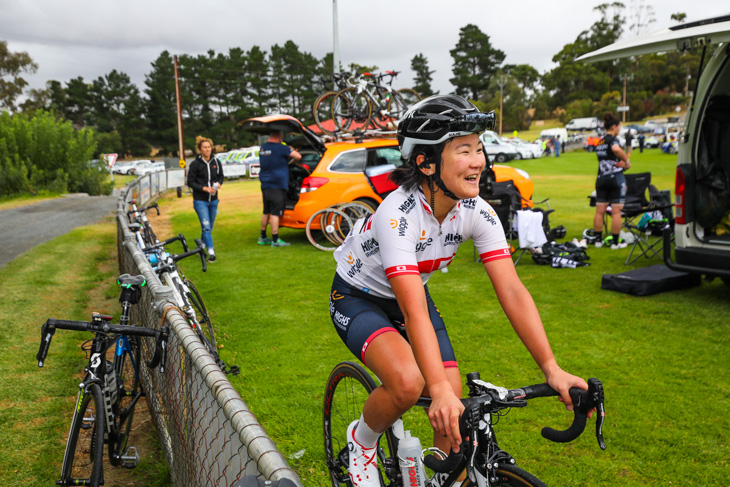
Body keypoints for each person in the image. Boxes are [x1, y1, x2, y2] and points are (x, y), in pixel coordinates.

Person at [328, 94, 589, 487]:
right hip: (358, 295)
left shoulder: (476, 212)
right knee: (409, 383)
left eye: (479, 148)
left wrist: (551, 369)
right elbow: (414, 312)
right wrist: (437, 390)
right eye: (463, 149)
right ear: (426, 162)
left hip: (411, 294)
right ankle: (361, 442)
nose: (478, 160)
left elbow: (513, 291)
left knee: (453, 404)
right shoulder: (397, 214)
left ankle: (437, 476)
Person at [590, 112, 631, 249]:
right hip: (615, 179)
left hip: (601, 179)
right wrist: (625, 160)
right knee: (616, 212)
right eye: (619, 127)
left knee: (599, 211)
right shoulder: (613, 140)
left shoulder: (600, 141)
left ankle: (597, 240)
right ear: (614, 127)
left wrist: (619, 160)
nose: (619, 130)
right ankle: (615, 242)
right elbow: (615, 149)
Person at [257, 129, 301, 247]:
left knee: (266, 211)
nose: (282, 138)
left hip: (265, 184)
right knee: (275, 213)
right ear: (277, 136)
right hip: (277, 184)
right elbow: (298, 156)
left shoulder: (263, 148)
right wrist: (290, 161)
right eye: (281, 136)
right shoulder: (281, 147)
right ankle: (275, 240)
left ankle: (262, 237)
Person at [187, 136, 224, 262]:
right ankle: (211, 253)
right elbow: (190, 182)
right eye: (204, 147)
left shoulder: (216, 162)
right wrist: (204, 188)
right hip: (200, 201)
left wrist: (218, 184)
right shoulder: (195, 164)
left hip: (214, 200)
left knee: (209, 227)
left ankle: (200, 247)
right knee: (206, 227)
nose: (207, 150)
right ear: (200, 149)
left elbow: (221, 177)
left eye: (209, 147)